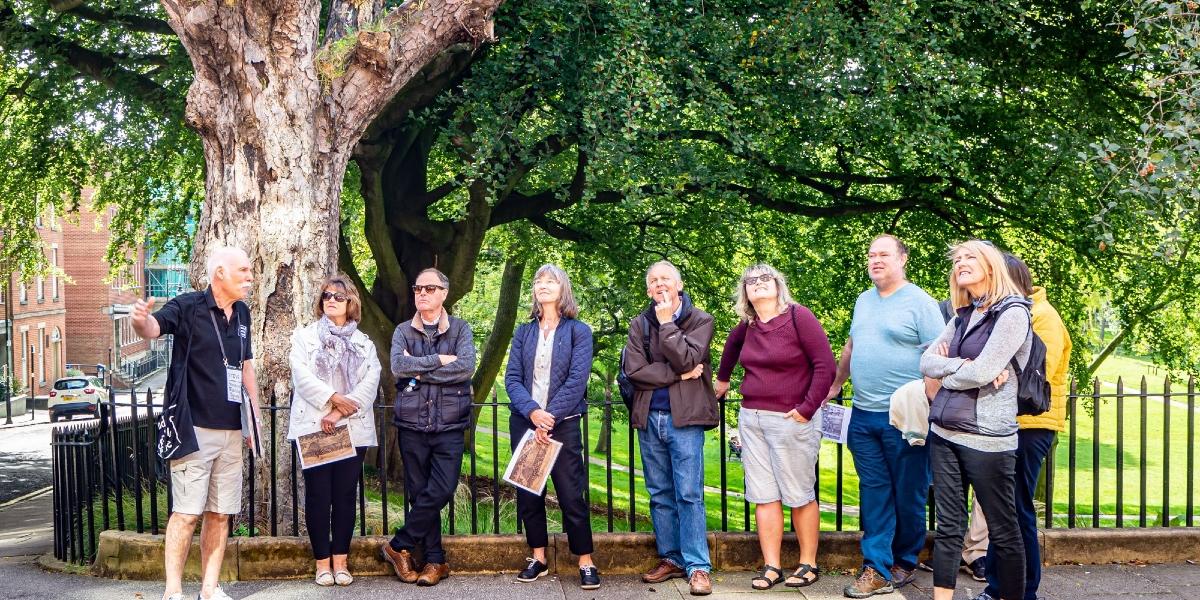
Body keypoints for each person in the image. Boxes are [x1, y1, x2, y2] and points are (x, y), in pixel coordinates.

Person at [131, 246, 257, 600]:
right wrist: (139, 318)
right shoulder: (188, 306)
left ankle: (209, 587)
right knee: (186, 514)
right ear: (220, 273)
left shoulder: (243, 313)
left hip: (233, 431)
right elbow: (154, 328)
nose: (250, 278)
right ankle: (173, 590)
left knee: (220, 514)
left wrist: (255, 419)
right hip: (194, 430)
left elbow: (246, 365)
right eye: (243, 271)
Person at [825, 235, 945, 599]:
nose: (876, 260)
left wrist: (931, 409)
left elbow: (938, 358)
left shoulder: (921, 303)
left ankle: (905, 560)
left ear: (902, 259)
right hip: (863, 416)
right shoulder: (864, 300)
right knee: (874, 492)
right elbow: (851, 346)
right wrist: (834, 385)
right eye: (871, 255)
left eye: (884, 255)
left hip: (904, 419)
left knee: (908, 493)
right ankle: (875, 566)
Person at [921, 240, 1031, 600]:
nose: (961, 264)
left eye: (970, 257)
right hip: (944, 431)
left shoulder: (1013, 313)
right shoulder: (964, 314)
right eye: (957, 260)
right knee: (948, 527)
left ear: (990, 266)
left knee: (1003, 530)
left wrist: (957, 369)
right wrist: (965, 368)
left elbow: (984, 371)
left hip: (988, 439)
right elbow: (925, 363)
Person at [715, 264, 836, 590]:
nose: (757, 284)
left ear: (778, 285)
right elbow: (730, 349)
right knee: (764, 495)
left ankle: (808, 564)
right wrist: (723, 380)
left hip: (790, 421)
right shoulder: (748, 325)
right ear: (746, 293)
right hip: (752, 419)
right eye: (750, 282)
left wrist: (807, 409)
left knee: (798, 495)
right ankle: (772, 566)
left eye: (764, 278)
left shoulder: (799, 317)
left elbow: (826, 365)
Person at [962, 253, 1072, 600]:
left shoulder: (1042, 317)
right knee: (1002, 510)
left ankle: (1023, 590)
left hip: (1030, 425)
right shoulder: (1010, 313)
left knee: (1016, 509)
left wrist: (984, 366)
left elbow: (1035, 371)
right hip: (1004, 423)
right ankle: (999, 586)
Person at [623, 260, 719, 596]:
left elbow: (688, 359)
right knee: (660, 494)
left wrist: (667, 325)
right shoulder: (638, 324)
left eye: (665, 278)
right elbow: (635, 371)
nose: (659, 284)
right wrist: (678, 376)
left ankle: (697, 567)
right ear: (648, 290)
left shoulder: (701, 320)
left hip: (685, 420)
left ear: (678, 285)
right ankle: (671, 558)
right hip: (650, 418)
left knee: (689, 494)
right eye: (653, 280)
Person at [505, 264, 599, 590]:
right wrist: (533, 413)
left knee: (572, 495)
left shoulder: (579, 332)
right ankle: (538, 557)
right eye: (538, 281)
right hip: (526, 424)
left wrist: (550, 417)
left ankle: (585, 560)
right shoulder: (523, 332)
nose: (542, 285)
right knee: (529, 493)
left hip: (564, 424)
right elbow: (512, 379)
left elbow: (576, 381)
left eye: (550, 281)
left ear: (563, 289)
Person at [379, 268, 476, 587]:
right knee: (419, 494)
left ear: (444, 293)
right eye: (418, 288)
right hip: (412, 424)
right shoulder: (403, 331)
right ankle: (434, 561)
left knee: (442, 489)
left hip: (449, 424)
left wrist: (419, 371)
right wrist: (440, 360)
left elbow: (465, 368)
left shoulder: (461, 329)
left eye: (430, 288)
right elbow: (398, 367)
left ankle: (397, 545)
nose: (422, 293)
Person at [288, 274, 381, 587]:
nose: (331, 300)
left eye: (338, 296)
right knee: (318, 497)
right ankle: (321, 563)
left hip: (350, 428)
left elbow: (371, 380)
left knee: (344, 496)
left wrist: (340, 410)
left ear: (350, 302)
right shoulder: (304, 337)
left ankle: (341, 560)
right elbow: (301, 375)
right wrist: (331, 400)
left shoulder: (363, 343)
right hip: (315, 426)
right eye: (326, 295)